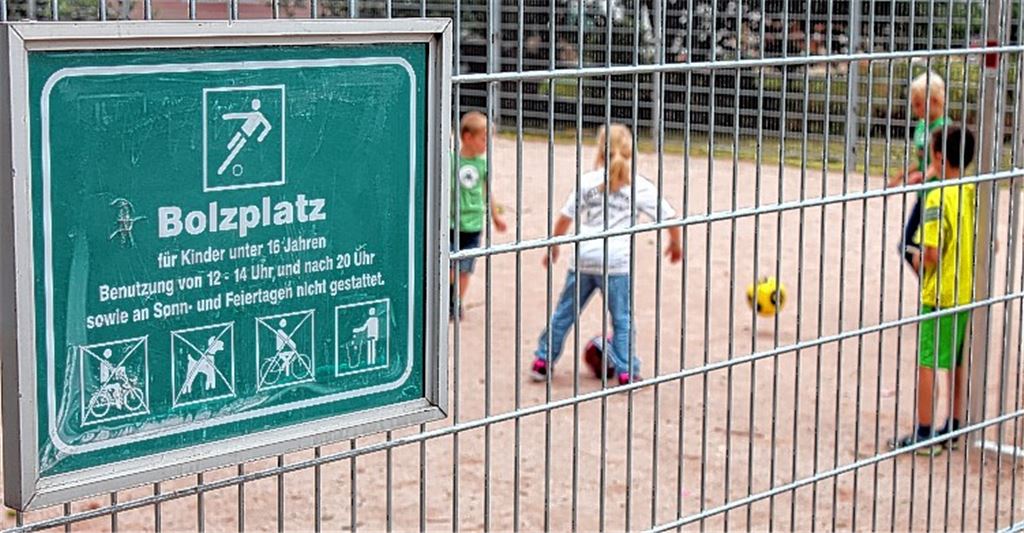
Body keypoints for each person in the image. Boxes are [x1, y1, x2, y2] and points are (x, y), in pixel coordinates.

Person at [530, 123, 683, 386]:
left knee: (564, 313)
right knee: (622, 319)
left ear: (600, 150)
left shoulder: (589, 182)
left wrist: (553, 245)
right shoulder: (639, 186)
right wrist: (675, 244)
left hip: (584, 259)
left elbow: (566, 216)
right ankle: (626, 371)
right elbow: (669, 217)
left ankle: (542, 361)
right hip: (615, 263)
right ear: (630, 151)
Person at [889, 125, 976, 455]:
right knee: (956, 359)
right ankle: (954, 425)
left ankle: (924, 433)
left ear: (939, 157)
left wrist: (914, 255)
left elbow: (931, 254)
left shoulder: (937, 196)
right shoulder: (970, 189)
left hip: (939, 294)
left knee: (927, 361)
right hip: (965, 290)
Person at [888, 71, 948, 275]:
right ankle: (931, 285)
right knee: (907, 246)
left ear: (935, 101)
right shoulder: (922, 126)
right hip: (924, 194)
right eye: (914, 105)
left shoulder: (943, 128)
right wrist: (900, 175)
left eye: (919, 104)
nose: (915, 110)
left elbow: (941, 162)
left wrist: (924, 176)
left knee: (918, 246)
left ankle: (935, 285)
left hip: (938, 194)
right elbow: (923, 160)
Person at [450, 111, 507, 319]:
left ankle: (457, 302)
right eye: (483, 139)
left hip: (473, 224)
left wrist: (495, 216)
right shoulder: (451, 160)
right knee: (449, 266)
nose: (487, 145)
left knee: (466, 269)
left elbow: (486, 190)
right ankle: (447, 296)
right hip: (452, 223)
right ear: (467, 137)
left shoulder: (482, 164)